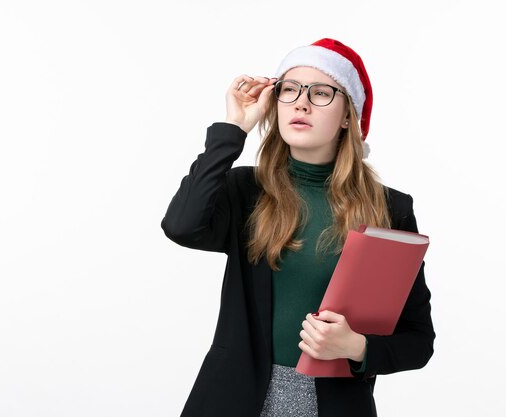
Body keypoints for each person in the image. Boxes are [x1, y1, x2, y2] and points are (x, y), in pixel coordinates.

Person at [160, 38, 435, 417]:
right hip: (233, 399)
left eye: (322, 92)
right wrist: (233, 129)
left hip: (335, 406)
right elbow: (181, 225)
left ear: (347, 116)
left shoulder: (390, 209)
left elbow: (418, 341)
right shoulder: (245, 189)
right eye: (289, 90)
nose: (302, 102)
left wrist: (356, 347)